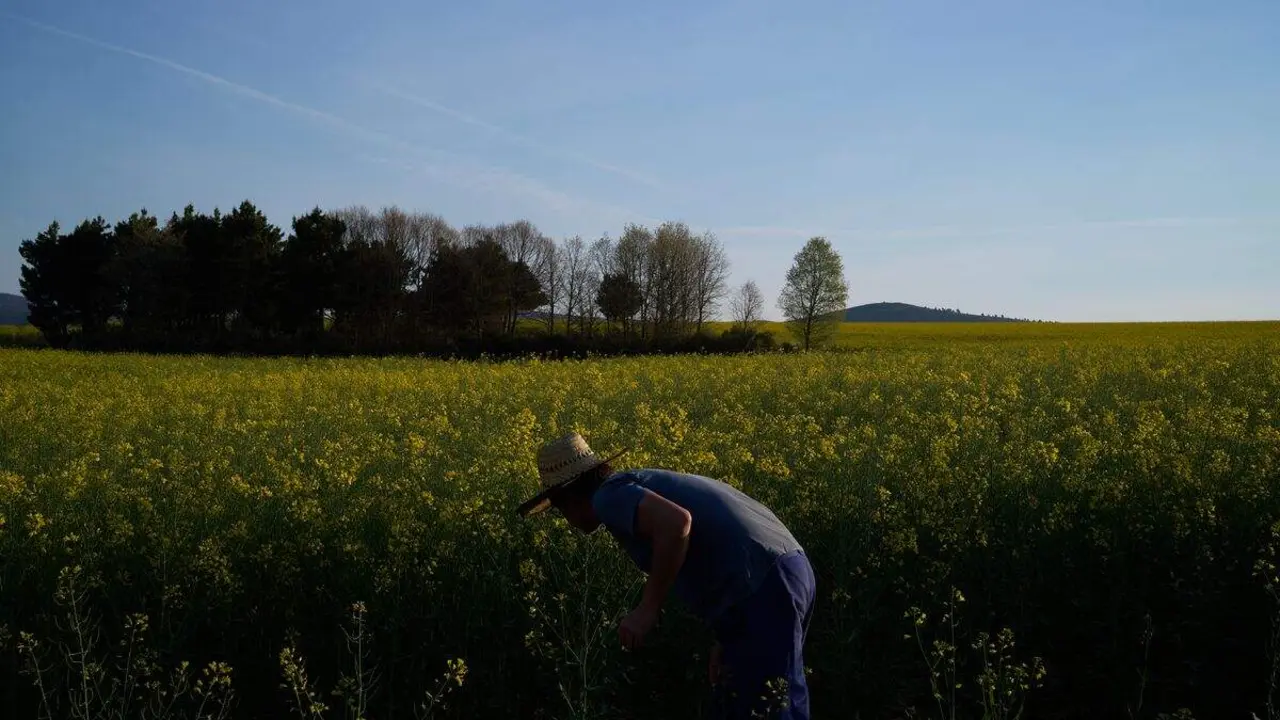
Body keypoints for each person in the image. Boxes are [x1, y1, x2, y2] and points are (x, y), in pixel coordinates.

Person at [517, 432, 815, 720]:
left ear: (569, 496)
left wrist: (648, 608)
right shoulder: (635, 482)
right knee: (747, 697)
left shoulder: (606, 497)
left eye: (558, 509)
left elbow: (677, 523)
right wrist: (725, 636)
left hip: (766, 583)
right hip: (780, 571)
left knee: (771, 706)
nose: (567, 522)